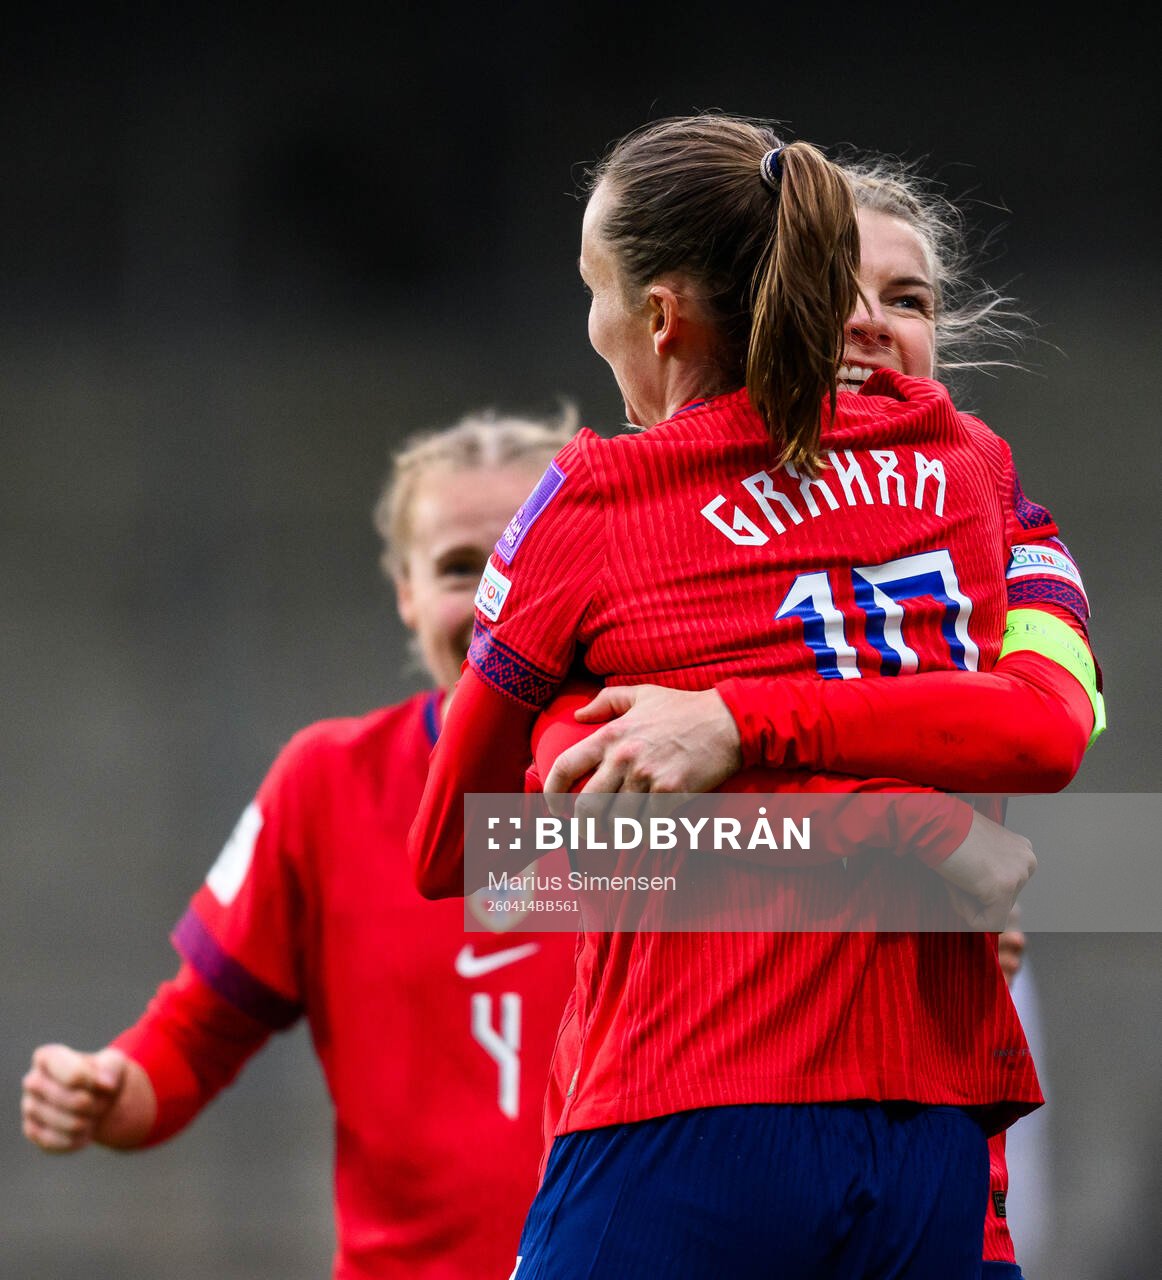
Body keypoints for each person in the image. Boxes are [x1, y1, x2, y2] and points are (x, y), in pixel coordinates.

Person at [409, 113, 1098, 1279]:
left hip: (690, 1095)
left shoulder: (601, 502)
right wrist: (899, 821)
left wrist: (732, 724)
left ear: (661, 313)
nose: (873, 327)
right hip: (928, 1131)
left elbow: (465, 852)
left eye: (911, 300)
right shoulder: (968, 471)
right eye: (847, 290)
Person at [21, 410, 582, 1279]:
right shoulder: (328, 785)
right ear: (402, 589)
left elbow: (863, 881)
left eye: (522, 560)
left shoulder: (659, 775)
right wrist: (110, 1090)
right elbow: (197, 1033)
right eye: (458, 568)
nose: (489, 602)